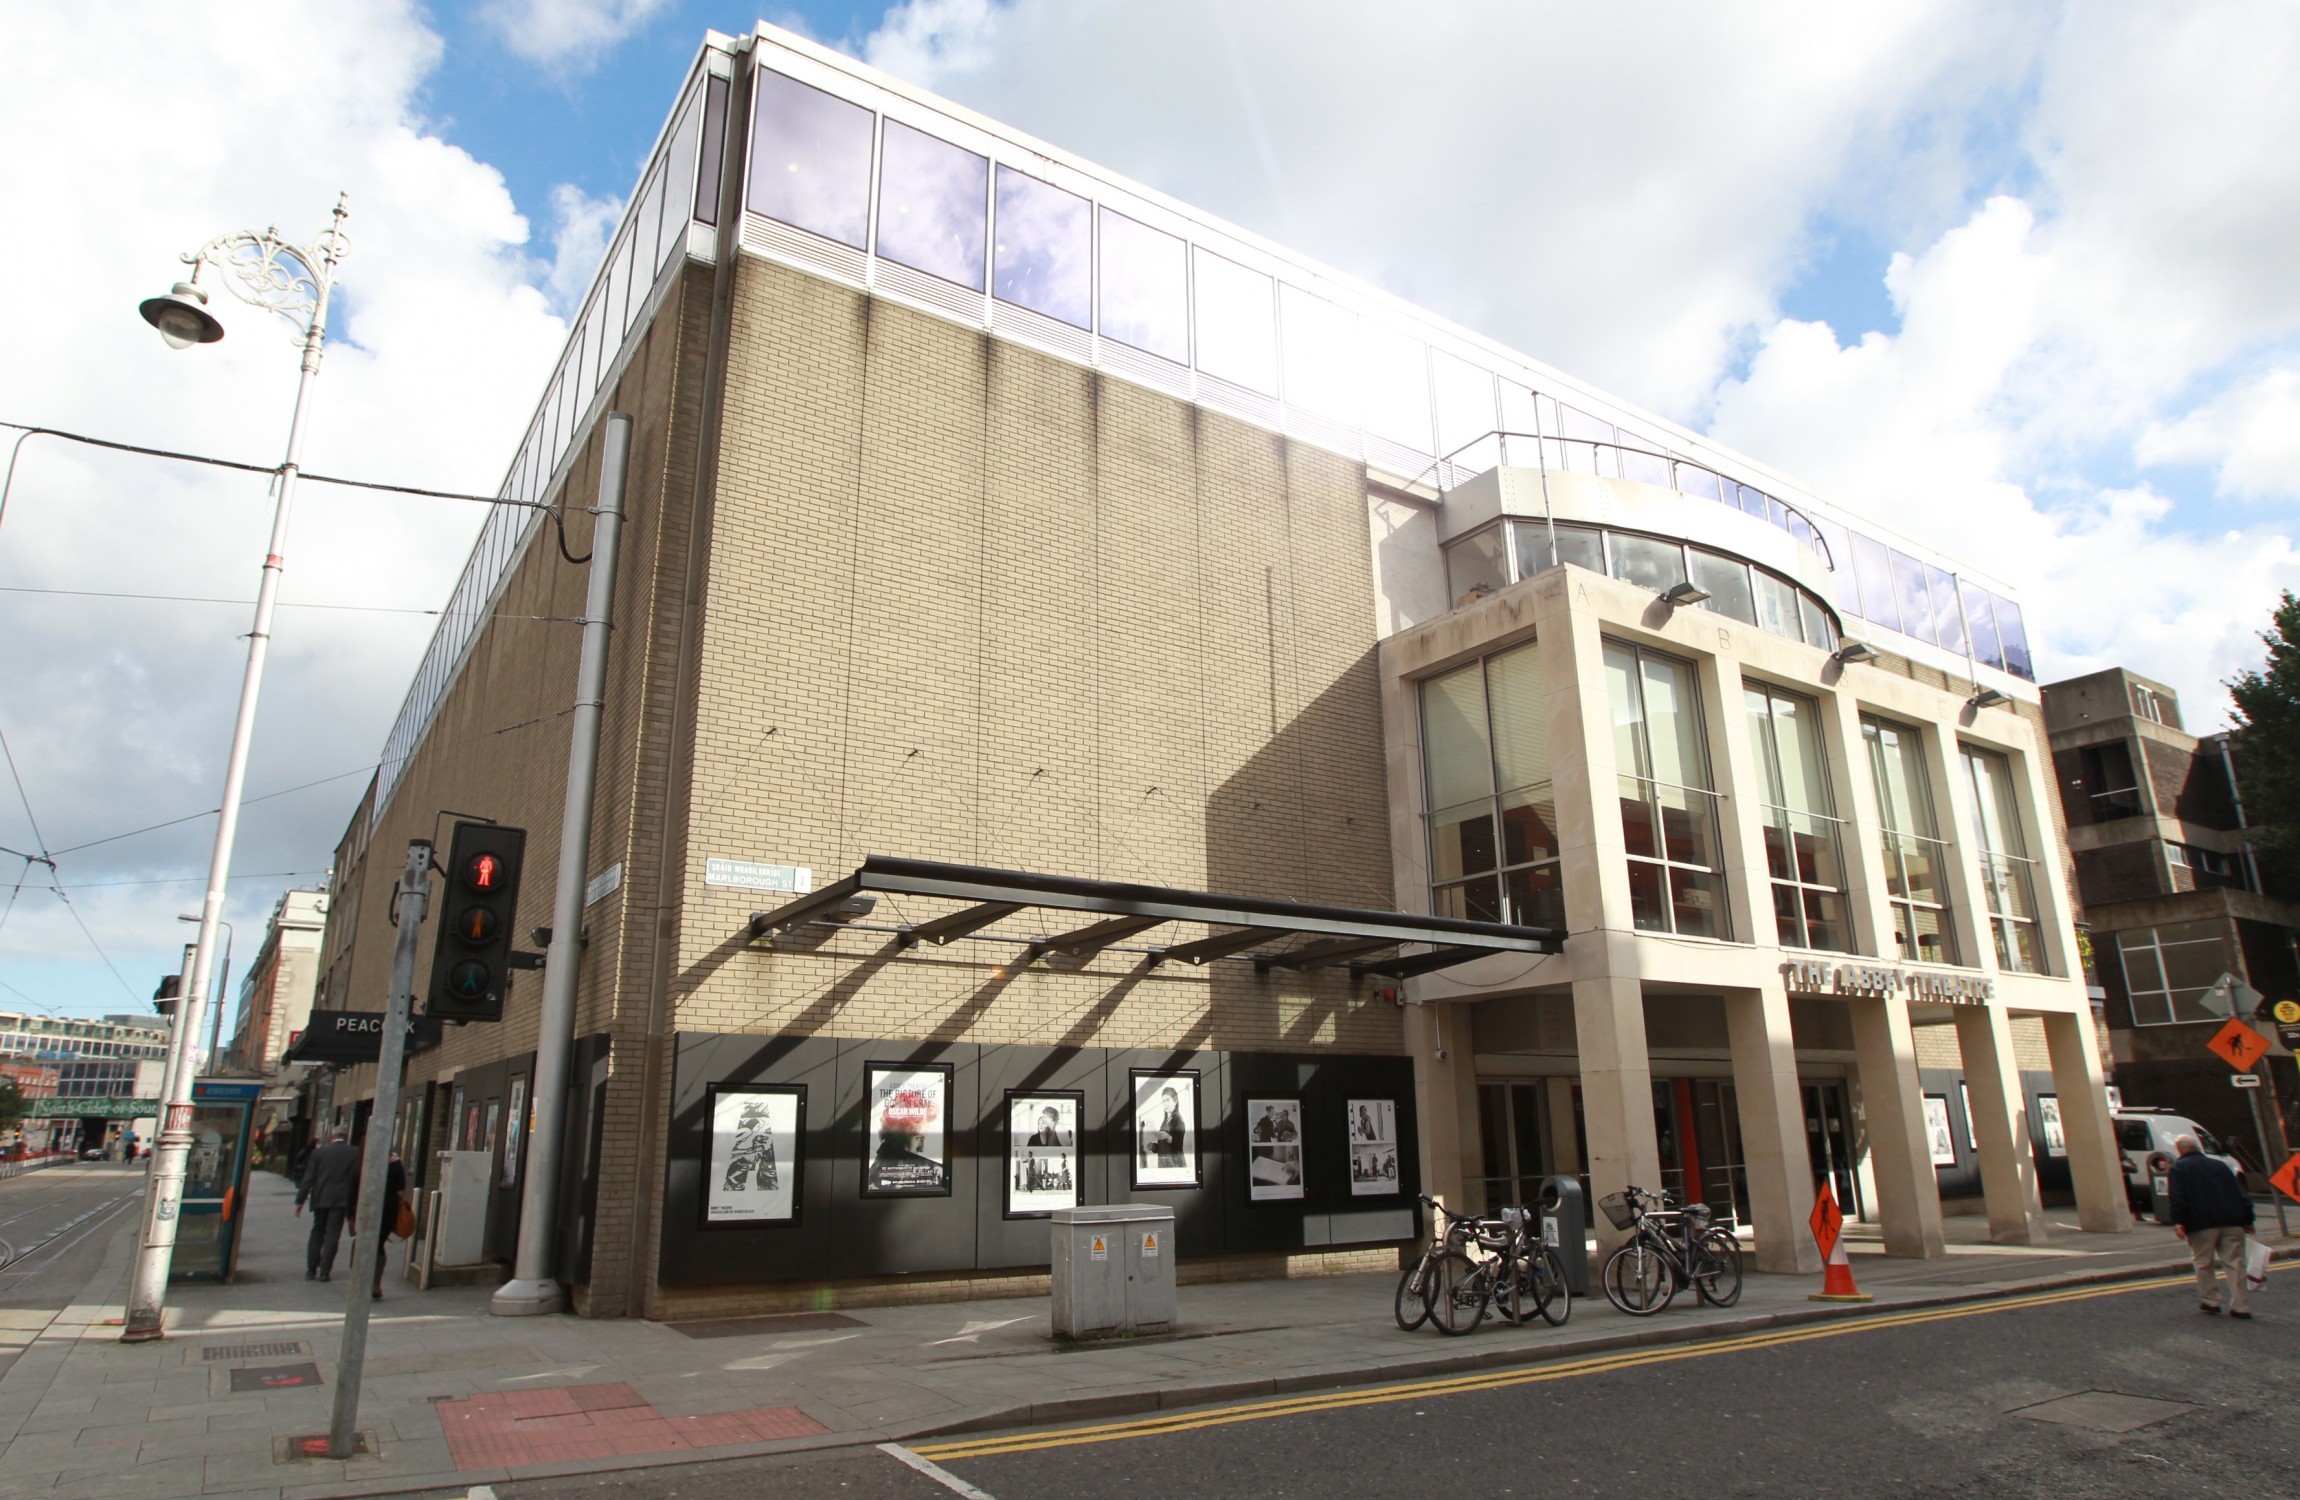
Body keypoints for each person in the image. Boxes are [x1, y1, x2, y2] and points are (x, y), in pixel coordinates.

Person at [2167, 1133, 2254, 1319]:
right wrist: (2248, 1219)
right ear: (2197, 1147)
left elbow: (2178, 1198)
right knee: (2235, 1263)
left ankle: (2211, 1301)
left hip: (2201, 1224)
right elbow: (2241, 1193)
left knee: (2203, 1263)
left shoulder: (2179, 1168)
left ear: (2180, 1150)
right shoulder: (2221, 1165)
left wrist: (2179, 1221)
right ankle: (2241, 1306)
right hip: (2232, 1221)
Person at [294, 1129, 359, 1282]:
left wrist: (300, 1201)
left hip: (320, 1197)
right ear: (346, 1137)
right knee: (333, 1233)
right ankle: (325, 1271)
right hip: (341, 1199)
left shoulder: (318, 1153)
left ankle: (311, 1269)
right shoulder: (355, 1152)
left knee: (317, 1230)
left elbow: (308, 1178)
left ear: (332, 1137)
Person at [351, 1150, 408, 1301]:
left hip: (370, 1207)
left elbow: (354, 1183)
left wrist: (350, 1212)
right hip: (388, 1209)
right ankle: (375, 1283)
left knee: (368, 1242)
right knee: (378, 1244)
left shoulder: (368, 1159)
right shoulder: (395, 1165)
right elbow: (401, 1185)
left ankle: (364, 1280)